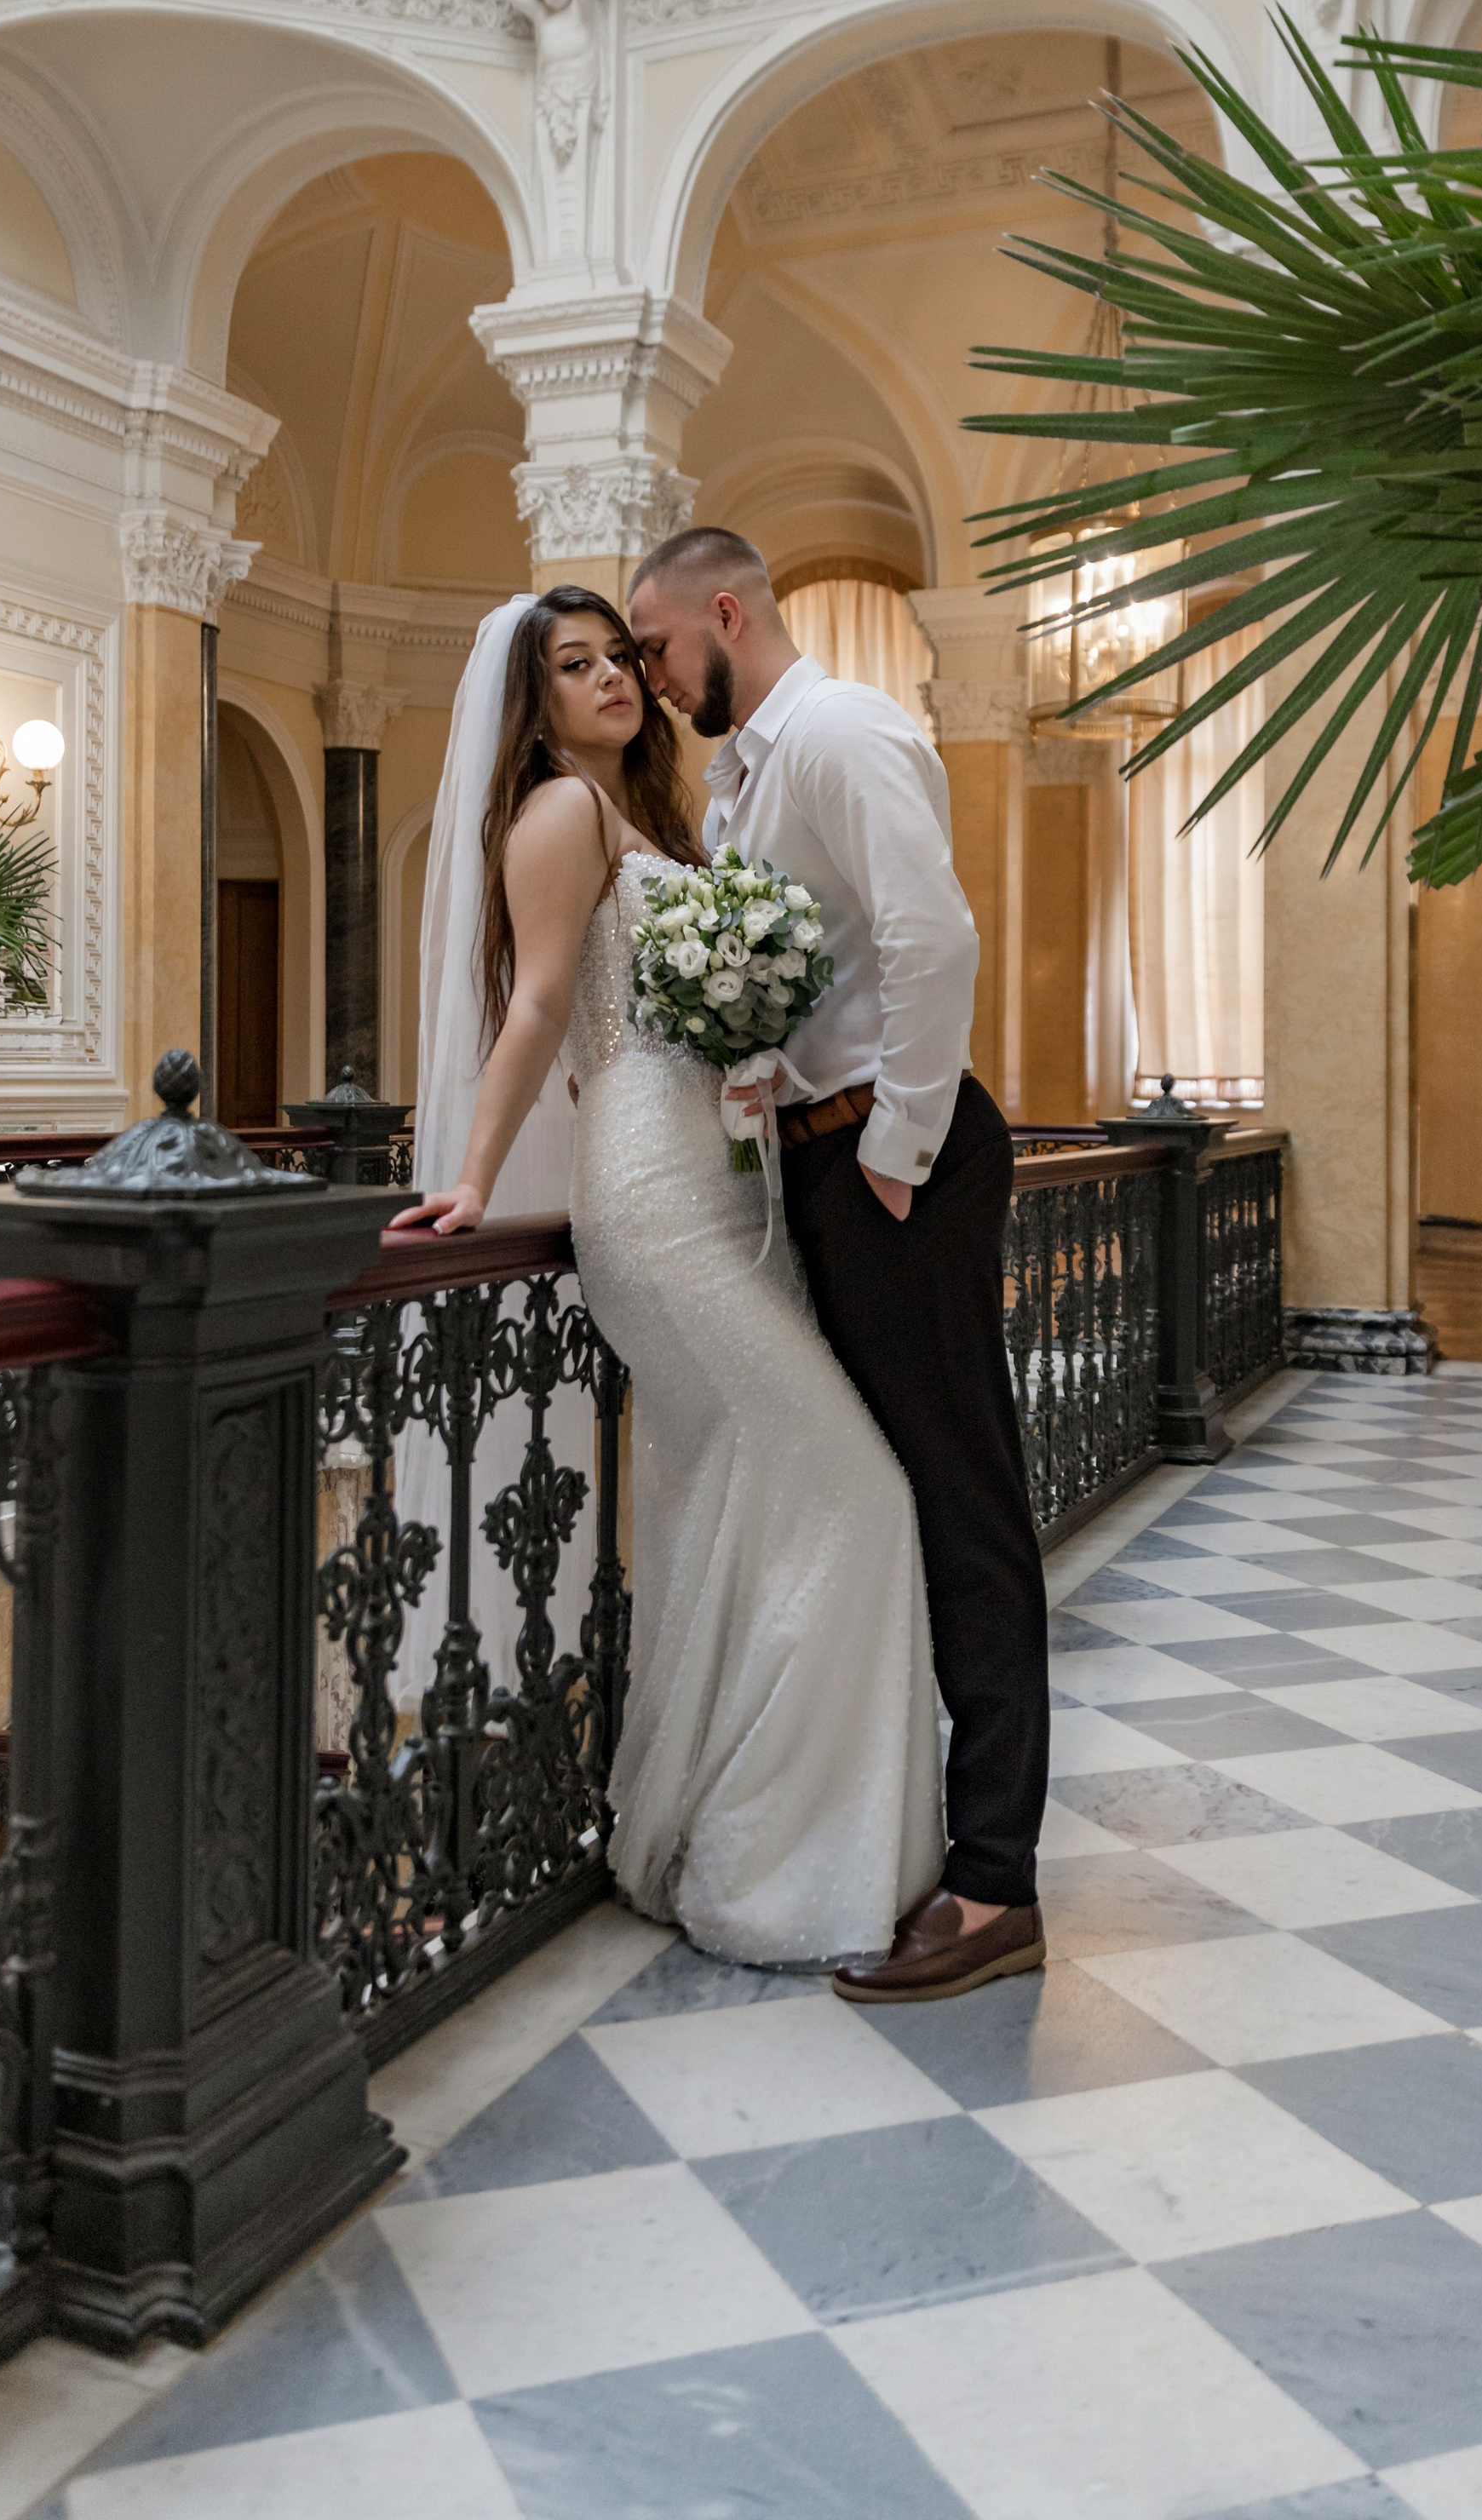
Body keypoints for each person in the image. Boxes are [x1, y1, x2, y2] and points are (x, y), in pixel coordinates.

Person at [392, 585, 941, 1967]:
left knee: (728, 1510)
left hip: (724, 1179)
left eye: (619, 658)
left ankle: (701, 1823)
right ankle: (777, 1859)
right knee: (858, 1491)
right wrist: (471, 1172)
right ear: (535, 698)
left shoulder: (644, 816)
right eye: (573, 667)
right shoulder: (559, 815)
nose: (610, 681)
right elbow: (531, 1006)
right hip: (651, 1197)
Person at [626, 527, 1050, 2006]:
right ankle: (921, 1834)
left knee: (961, 1499)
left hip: (896, 1165)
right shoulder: (752, 774)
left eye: (663, 651)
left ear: (725, 613)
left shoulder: (845, 731)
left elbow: (937, 937)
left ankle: (997, 1883)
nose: (659, 684)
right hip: (828, 1155)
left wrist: (897, 1147)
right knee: (891, 1501)